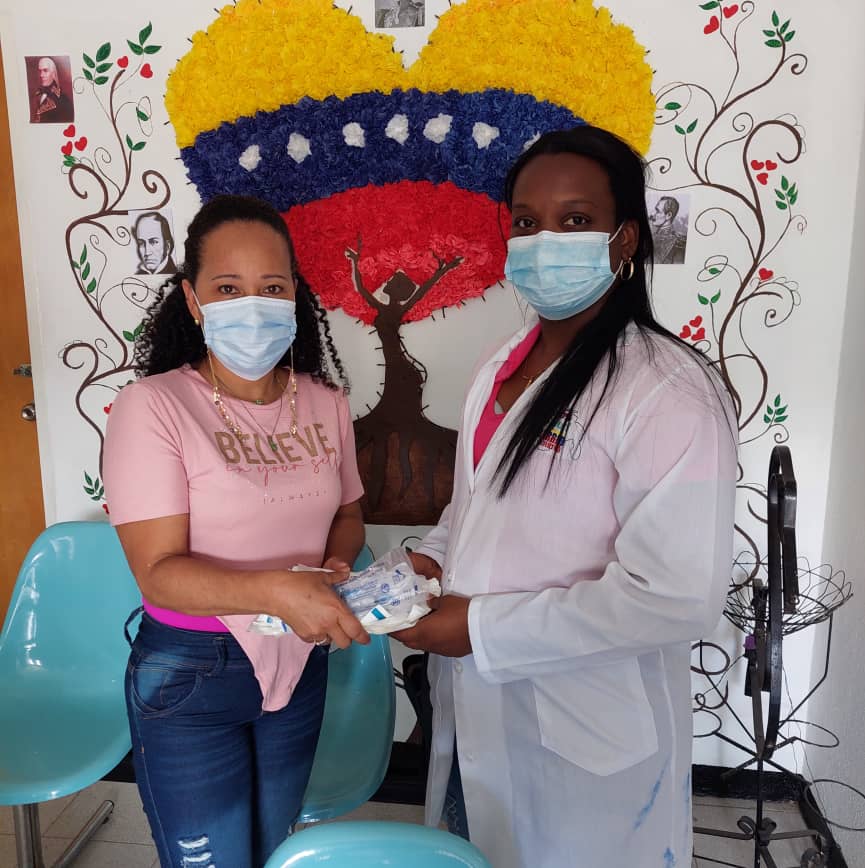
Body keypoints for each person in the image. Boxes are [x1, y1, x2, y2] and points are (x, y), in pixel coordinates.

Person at [393, 125, 738, 868]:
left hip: (586, 738)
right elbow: (477, 507)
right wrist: (429, 559)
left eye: (575, 220)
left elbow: (676, 597)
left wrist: (479, 628)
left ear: (625, 240)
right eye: (526, 222)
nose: (544, 241)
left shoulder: (665, 388)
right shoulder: (500, 366)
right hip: (476, 712)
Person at [103, 194, 370, 868]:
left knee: (274, 849)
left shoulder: (326, 402)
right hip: (192, 673)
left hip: (301, 658)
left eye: (271, 287)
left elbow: (347, 515)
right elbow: (158, 573)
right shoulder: (153, 407)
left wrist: (336, 568)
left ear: (294, 297)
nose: (252, 306)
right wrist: (279, 591)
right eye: (227, 288)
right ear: (193, 301)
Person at [30, 56, 73, 123]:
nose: (41, 75)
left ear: (53, 73)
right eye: (40, 71)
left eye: (45, 70)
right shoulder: (36, 95)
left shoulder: (63, 100)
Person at [650, 194, 688, 264]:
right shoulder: (651, 236)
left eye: (657, 211)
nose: (652, 214)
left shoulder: (678, 243)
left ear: (668, 215)